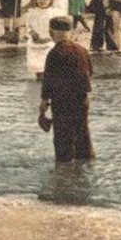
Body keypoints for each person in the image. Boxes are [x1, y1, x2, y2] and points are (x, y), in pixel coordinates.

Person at [39, 16, 94, 162]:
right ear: (71, 32)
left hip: (61, 101)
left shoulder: (53, 54)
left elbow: (48, 80)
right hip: (82, 99)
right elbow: (89, 74)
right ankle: (85, 163)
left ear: (51, 33)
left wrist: (44, 103)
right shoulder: (82, 51)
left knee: (63, 138)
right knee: (83, 134)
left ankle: (64, 170)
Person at [26, 0, 58, 79]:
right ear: (36, 0)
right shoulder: (32, 12)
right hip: (35, 41)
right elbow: (28, 26)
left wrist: (50, 38)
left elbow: (57, 28)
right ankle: (38, 79)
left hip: (49, 40)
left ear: (50, 0)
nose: (42, 1)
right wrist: (33, 34)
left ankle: (47, 82)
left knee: (47, 64)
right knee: (37, 66)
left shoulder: (54, 12)